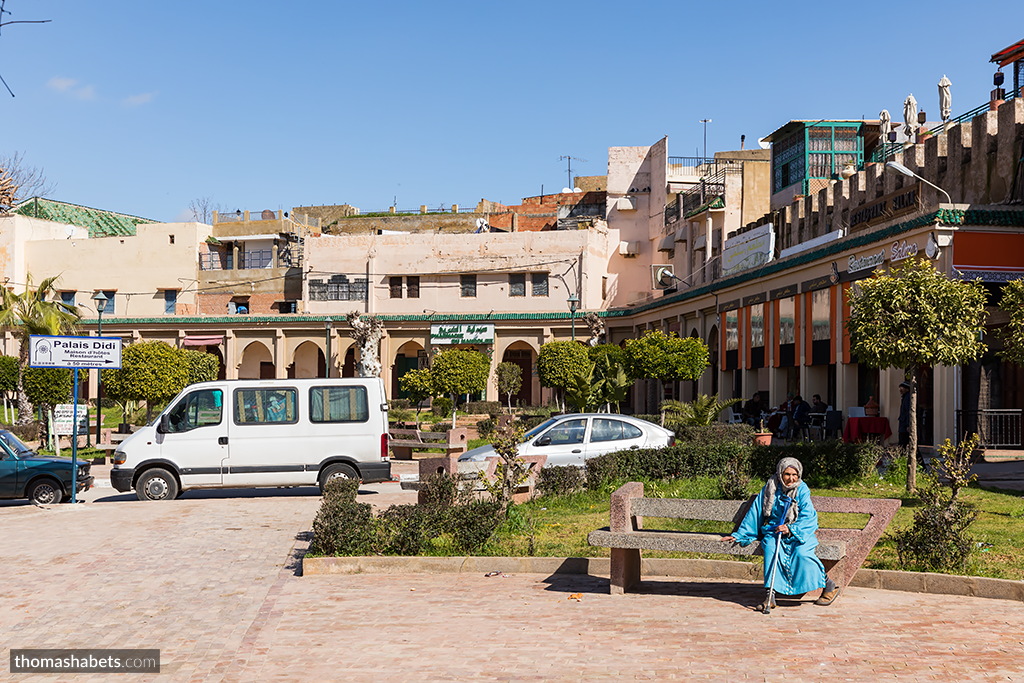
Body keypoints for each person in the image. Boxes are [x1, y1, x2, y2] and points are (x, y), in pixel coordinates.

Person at [720, 457, 840, 609]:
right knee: (770, 549)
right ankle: (770, 596)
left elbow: (809, 516)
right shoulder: (770, 486)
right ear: (780, 474)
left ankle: (829, 585)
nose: (791, 479)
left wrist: (791, 528)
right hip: (774, 531)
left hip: (798, 532)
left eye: (794, 475)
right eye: (787, 474)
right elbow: (756, 512)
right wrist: (740, 534)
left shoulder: (802, 489)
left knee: (802, 554)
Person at [897, 381, 911, 447]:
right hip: (903, 424)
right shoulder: (905, 397)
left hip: (905, 425)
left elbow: (908, 411)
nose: (900, 390)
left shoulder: (908, 397)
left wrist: (908, 425)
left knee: (902, 444)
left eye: (902, 388)